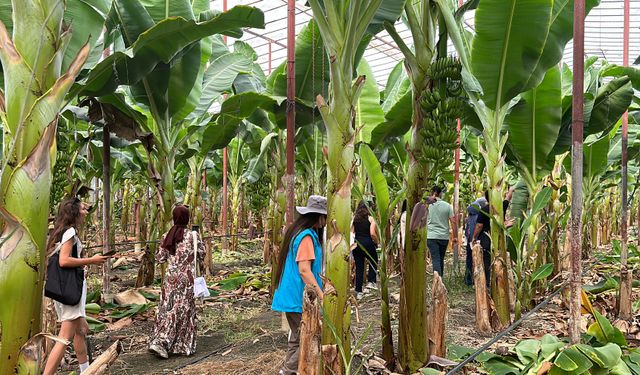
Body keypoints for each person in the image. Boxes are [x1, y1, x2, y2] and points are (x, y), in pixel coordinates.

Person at [43, 198, 109, 375]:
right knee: (64, 338)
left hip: (62, 290)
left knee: (80, 330)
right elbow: (64, 261)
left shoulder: (59, 231)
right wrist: (92, 260)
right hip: (71, 290)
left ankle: (85, 371)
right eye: (83, 209)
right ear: (74, 212)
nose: (86, 212)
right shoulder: (70, 232)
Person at [272, 195, 327, 375]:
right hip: (297, 296)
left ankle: (288, 371)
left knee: (297, 338)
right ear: (319, 217)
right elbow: (304, 270)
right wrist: (321, 295)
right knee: (307, 337)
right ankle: (287, 372)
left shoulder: (298, 232)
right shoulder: (306, 237)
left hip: (291, 295)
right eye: (325, 217)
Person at [149, 205, 205, 359]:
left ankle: (162, 340)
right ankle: (173, 344)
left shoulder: (167, 235)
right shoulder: (193, 236)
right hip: (187, 279)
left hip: (170, 278)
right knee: (183, 309)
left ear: (174, 218)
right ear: (187, 218)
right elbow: (202, 254)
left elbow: (160, 258)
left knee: (168, 309)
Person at [471, 187, 515, 285]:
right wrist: (511, 190)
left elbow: (479, 225)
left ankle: (487, 282)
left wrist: (474, 237)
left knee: (487, 261)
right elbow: (508, 198)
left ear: (486, 198)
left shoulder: (484, 209)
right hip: (500, 238)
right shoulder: (501, 206)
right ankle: (500, 281)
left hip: (486, 237)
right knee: (500, 259)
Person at [352, 200, 380, 299]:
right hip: (367, 243)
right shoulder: (370, 218)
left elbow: (353, 232)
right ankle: (371, 282)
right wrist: (377, 242)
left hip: (357, 244)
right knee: (373, 260)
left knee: (359, 268)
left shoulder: (355, 219)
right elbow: (372, 233)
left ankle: (358, 291)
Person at [426, 186, 456, 278]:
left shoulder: (427, 205)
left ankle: (438, 281)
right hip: (444, 237)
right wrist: (455, 236)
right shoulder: (447, 206)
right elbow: (453, 222)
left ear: (432, 193)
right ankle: (440, 280)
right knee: (440, 259)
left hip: (431, 236)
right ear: (440, 194)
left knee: (436, 259)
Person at [464, 195, 487, 285]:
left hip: (469, 240)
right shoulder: (479, 216)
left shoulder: (471, 215)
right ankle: (479, 281)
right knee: (480, 260)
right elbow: (479, 227)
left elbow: (467, 230)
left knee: (469, 259)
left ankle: (468, 279)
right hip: (477, 241)